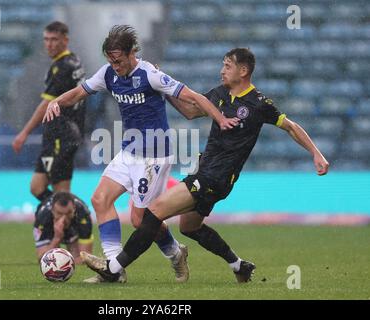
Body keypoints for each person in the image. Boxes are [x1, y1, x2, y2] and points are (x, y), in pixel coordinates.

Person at [80, 47, 330, 283]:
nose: (222, 70)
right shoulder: (220, 94)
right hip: (205, 171)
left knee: (153, 213)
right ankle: (239, 265)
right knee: (189, 227)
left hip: (215, 177)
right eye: (223, 65)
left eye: (228, 66)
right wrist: (161, 88)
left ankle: (113, 269)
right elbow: (190, 111)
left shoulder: (258, 103)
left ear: (243, 71)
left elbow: (290, 126)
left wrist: (316, 153)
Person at [43, 25, 239, 283]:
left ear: (131, 53)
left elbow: (192, 97)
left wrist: (220, 118)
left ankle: (175, 253)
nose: (115, 66)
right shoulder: (108, 74)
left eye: (119, 61)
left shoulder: (150, 74)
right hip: (129, 151)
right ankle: (114, 269)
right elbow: (79, 92)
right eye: (111, 61)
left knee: (140, 220)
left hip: (155, 156)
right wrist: (56, 101)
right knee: (100, 199)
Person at [12, 21, 86, 202]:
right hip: (60, 135)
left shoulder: (62, 67)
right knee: (37, 187)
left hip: (62, 136)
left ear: (65, 40)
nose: (49, 44)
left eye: (54, 39)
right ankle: (59, 219)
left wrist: (24, 132)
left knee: (61, 193)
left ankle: (76, 222)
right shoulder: (73, 61)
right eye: (46, 39)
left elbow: (46, 104)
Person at [33, 191, 93, 265]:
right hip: (50, 229)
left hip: (74, 228)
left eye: (68, 213)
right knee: (52, 257)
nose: (64, 219)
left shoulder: (82, 214)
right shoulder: (43, 216)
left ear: (74, 209)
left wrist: (64, 264)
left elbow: (85, 257)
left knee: (76, 255)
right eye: (59, 213)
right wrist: (56, 238)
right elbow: (41, 258)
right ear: (52, 210)